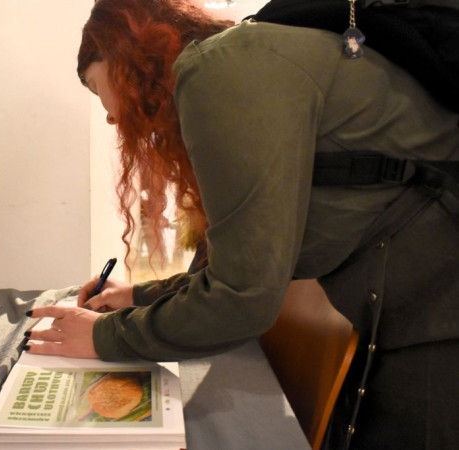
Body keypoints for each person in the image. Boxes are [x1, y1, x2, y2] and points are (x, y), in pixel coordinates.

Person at [24, 0, 459, 448]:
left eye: (96, 89)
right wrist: (137, 295)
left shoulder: (220, 68)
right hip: (412, 304)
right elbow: (241, 261)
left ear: (122, 55)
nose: (111, 116)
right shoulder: (237, 62)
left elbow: (241, 298)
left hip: (435, 312)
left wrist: (103, 337)